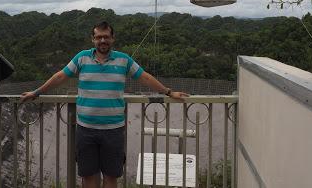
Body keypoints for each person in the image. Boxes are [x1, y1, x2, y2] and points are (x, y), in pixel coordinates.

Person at [21, 21, 189, 188]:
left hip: (113, 130)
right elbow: (60, 77)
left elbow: (144, 77)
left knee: (111, 176)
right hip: (86, 129)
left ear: (112, 38)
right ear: (93, 39)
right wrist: (36, 92)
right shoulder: (82, 57)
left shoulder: (124, 60)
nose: (103, 41)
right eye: (99, 37)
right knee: (88, 176)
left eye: (106, 37)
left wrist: (168, 92)